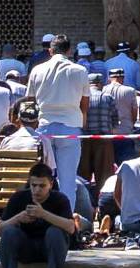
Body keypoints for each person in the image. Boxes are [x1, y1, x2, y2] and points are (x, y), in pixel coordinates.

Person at [0, 161, 82, 268]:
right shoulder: (19, 198)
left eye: (42, 186)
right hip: (25, 248)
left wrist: (44, 214)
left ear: (51, 184)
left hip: (49, 249)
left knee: (55, 232)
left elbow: (70, 227)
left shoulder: (59, 199)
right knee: (9, 232)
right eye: (33, 185)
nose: (37, 190)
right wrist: (18, 218)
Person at [25, 36, 92, 201]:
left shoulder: (37, 70)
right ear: (69, 51)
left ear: (50, 50)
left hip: (44, 127)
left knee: (42, 179)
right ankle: (66, 218)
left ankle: (42, 215)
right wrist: (82, 122)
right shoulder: (80, 70)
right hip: (70, 127)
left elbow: (30, 102)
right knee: (68, 180)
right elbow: (85, 103)